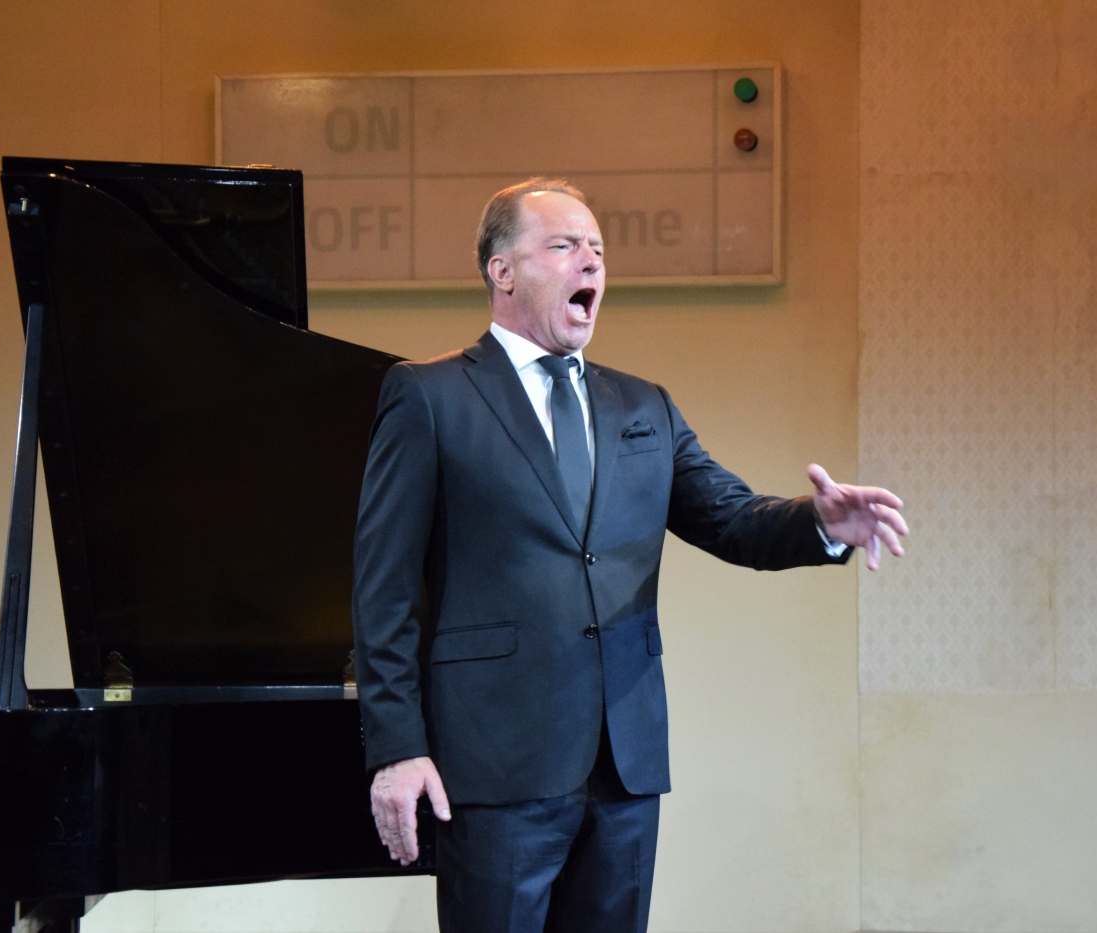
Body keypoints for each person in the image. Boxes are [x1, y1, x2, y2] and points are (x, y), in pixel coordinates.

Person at [352, 178, 907, 932]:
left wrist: (823, 523)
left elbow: (732, 518)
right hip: (495, 761)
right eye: (565, 245)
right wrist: (397, 746)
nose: (591, 261)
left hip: (624, 760)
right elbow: (381, 589)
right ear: (502, 271)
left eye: (599, 249)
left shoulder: (642, 405)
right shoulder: (429, 396)